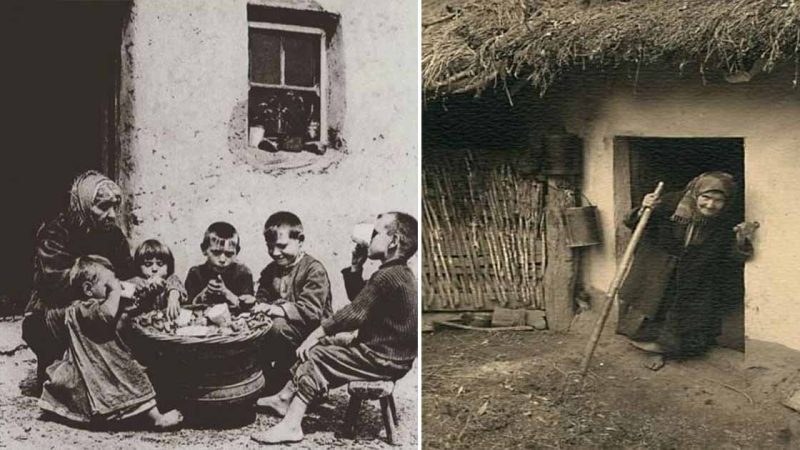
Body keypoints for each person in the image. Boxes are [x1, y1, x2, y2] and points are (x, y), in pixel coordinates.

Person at [251, 212, 418, 445]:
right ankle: (284, 397)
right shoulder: (397, 273)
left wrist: (314, 335)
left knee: (318, 354)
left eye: (375, 233)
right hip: (390, 354)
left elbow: (353, 313)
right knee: (322, 346)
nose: (369, 238)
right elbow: (364, 300)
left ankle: (291, 425)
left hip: (383, 357)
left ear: (394, 241)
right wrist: (355, 268)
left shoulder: (387, 276)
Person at [616, 171, 759, 370]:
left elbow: (732, 256)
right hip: (659, 264)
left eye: (718, 200)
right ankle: (653, 350)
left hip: (694, 272)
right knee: (654, 307)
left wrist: (741, 240)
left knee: (686, 314)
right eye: (706, 197)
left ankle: (668, 349)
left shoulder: (725, 220)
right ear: (695, 193)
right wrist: (643, 209)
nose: (710, 205)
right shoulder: (669, 202)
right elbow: (633, 223)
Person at [38, 255, 183, 429]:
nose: (116, 285)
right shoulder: (83, 307)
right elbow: (106, 315)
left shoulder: (100, 302)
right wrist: (114, 291)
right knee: (133, 376)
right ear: (88, 289)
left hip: (98, 363)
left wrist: (143, 295)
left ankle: (110, 412)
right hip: (100, 363)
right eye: (108, 283)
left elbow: (123, 312)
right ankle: (156, 418)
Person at [22, 170, 134, 393]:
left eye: (114, 207)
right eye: (103, 207)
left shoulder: (113, 235)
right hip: (54, 309)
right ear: (83, 205)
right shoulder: (56, 233)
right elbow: (56, 282)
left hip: (99, 303)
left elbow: (127, 271)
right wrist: (103, 286)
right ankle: (56, 371)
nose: (112, 215)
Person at [252, 212, 333, 394]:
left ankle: (293, 381)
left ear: (300, 240)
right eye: (270, 247)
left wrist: (275, 309)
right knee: (258, 327)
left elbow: (311, 312)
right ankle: (269, 379)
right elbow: (262, 296)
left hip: (313, 334)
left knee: (276, 327)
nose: (275, 253)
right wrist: (258, 307)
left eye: (282, 246)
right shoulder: (270, 270)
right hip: (288, 333)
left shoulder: (314, 270)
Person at [184, 221, 255, 311]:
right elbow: (187, 307)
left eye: (229, 254)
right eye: (216, 253)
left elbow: (250, 307)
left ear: (237, 251)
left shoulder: (243, 274)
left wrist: (226, 293)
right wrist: (203, 294)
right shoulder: (195, 273)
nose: (222, 260)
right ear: (204, 249)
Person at [127, 239, 187, 319]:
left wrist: (174, 294)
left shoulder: (170, 279)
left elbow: (175, 285)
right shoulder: (137, 282)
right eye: (148, 264)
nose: (154, 269)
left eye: (160, 264)